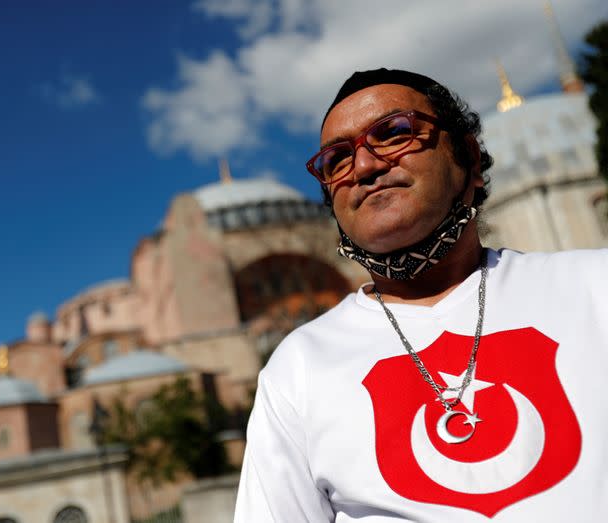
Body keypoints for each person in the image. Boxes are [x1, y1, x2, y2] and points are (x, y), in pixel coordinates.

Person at [233, 68, 607, 522]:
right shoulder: (299, 367)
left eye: (393, 133)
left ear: (467, 158)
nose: (366, 167)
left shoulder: (594, 285)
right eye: (338, 160)